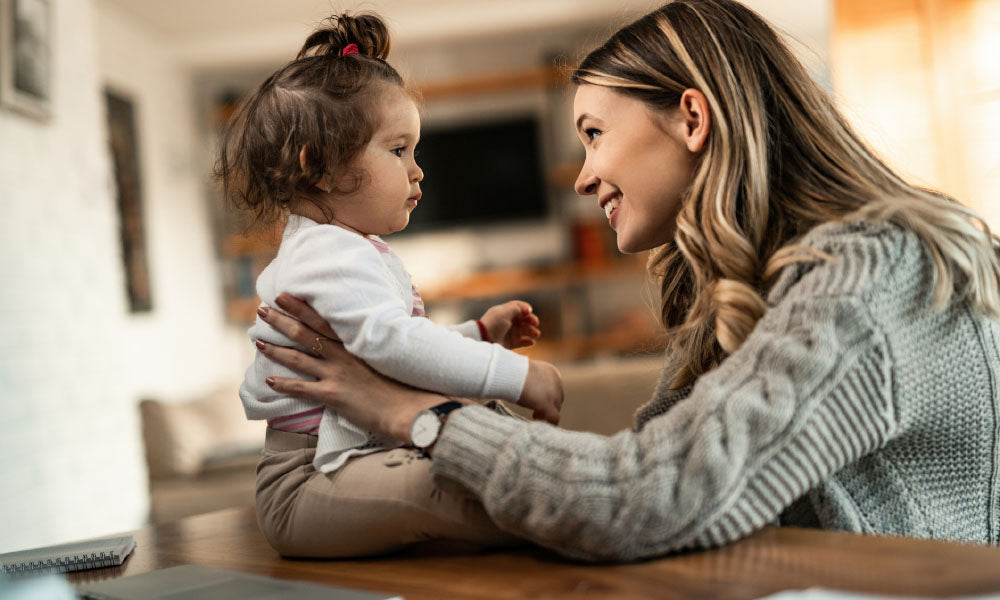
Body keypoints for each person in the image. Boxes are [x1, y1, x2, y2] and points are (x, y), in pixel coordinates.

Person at [253, 0, 1000, 562]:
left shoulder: (870, 274)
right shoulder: (747, 291)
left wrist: (407, 413)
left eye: (593, 134)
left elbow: (650, 498)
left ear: (692, 119)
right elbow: (633, 472)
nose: (581, 177)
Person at [215, 13, 563, 557]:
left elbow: (388, 343)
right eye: (399, 150)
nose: (418, 170)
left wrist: (475, 334)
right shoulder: (324, 252)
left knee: (485, 444)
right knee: (458, 483)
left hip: (350, 458)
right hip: (307, 481)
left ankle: (556, 499)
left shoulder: (349, 248)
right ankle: (568, 516)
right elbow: (391, 345)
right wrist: (513, 374)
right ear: (321, 168)